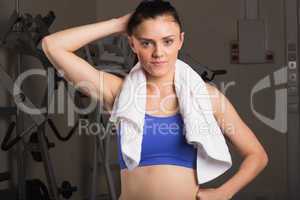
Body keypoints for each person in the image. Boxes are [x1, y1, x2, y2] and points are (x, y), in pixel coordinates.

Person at [42, 1, 269, 199]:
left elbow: (257, 155)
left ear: (180, 41)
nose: (158, 52)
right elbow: (52, 46)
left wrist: (224, 193)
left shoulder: (207, 97)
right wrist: (118, 24)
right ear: (133, 44)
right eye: (147, 42)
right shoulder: (118, 92)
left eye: (167, 41)